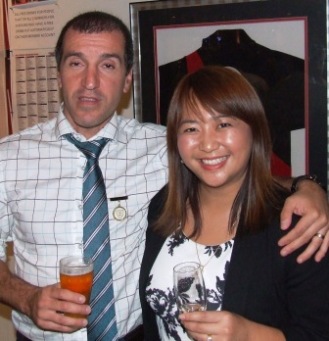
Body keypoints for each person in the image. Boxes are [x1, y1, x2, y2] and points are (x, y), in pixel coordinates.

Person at [0, 11, 327, 341]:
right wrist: (27, 298)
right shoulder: (7, 158)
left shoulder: (163, 144)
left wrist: (310, 187)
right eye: (76, 63)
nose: (90, 81)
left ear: (128, 79)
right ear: (58, 73)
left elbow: (238, 172)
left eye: (108, 65)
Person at [139, 65, 329, 340]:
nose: (207, 144)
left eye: (223, 124)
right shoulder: (164, 207)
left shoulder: (295, 224)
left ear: (254, 132)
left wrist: (249, 334)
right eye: (191, 128)